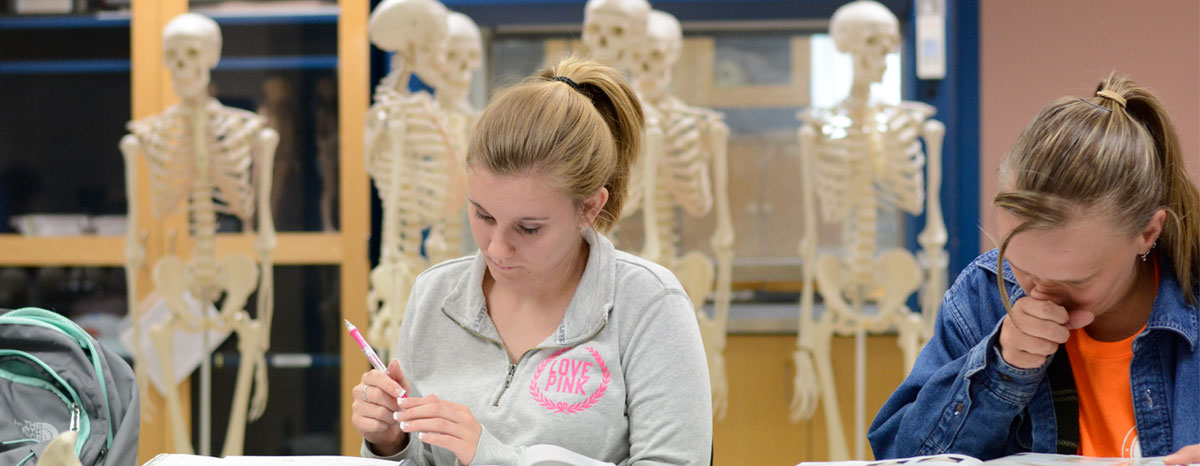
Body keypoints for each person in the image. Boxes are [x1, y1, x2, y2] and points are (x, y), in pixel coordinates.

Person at [350, 56, 713, 465]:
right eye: (483, 216)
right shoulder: (434, 293)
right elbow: (425, 457)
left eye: (529, 228)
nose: (497, 249)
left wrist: (495, 458)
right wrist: (391, 442)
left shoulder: (648, 302)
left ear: (589, 208)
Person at [869, 75, 1200, 463]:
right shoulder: (983, 293)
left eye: (1076, 279)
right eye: (1020, 265)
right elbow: (898, 456)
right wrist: (1001, 368)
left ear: (1148, 232)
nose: (1039, 292)